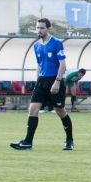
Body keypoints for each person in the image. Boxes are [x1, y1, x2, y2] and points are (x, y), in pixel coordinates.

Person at [10, 18, 75, 151]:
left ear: (48, 28)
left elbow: (63, 65)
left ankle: (69, 140)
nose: (39, 30)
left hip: (54, 80)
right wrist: (37, 81)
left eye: (42, 28)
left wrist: (57, 82)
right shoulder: (36, 46)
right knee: (32, 109)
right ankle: (28, 142)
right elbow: (39, 65)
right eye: (38, 27)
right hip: (41, 82)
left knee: (60, 111)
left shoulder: (57, 43)